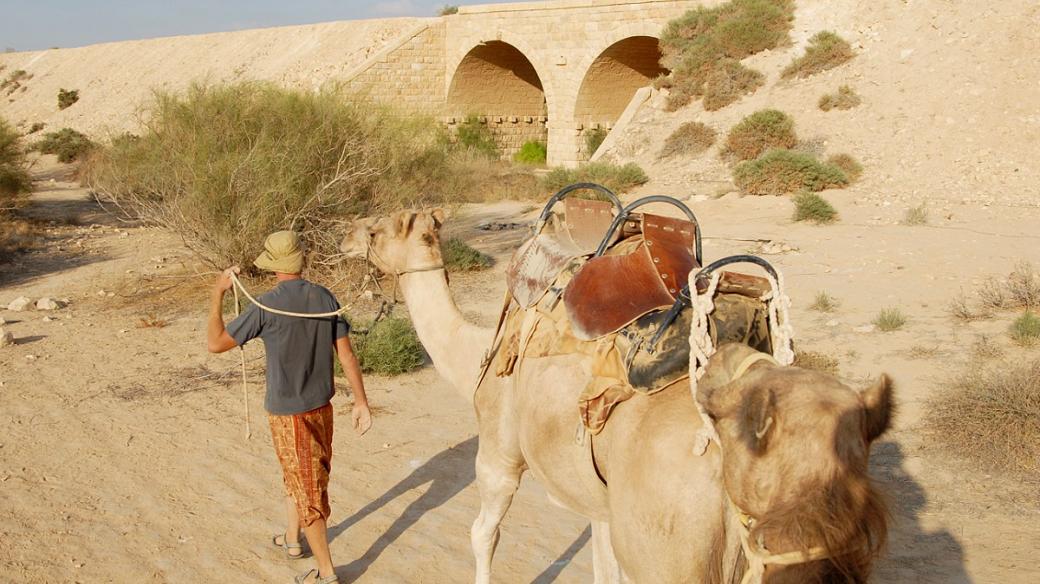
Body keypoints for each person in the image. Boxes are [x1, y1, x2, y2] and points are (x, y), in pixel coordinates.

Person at [207, 230, 371, 584]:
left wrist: (218, 293)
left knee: (307, 490)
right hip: (322, 410)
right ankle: (294, 540)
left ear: (273, 267)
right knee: (299, 477)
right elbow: (346, 354)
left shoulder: (266, 305)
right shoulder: (325, 297)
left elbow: (216, 343)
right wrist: (361, 401)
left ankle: (327, 573)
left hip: (289, 415)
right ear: (301, 261)